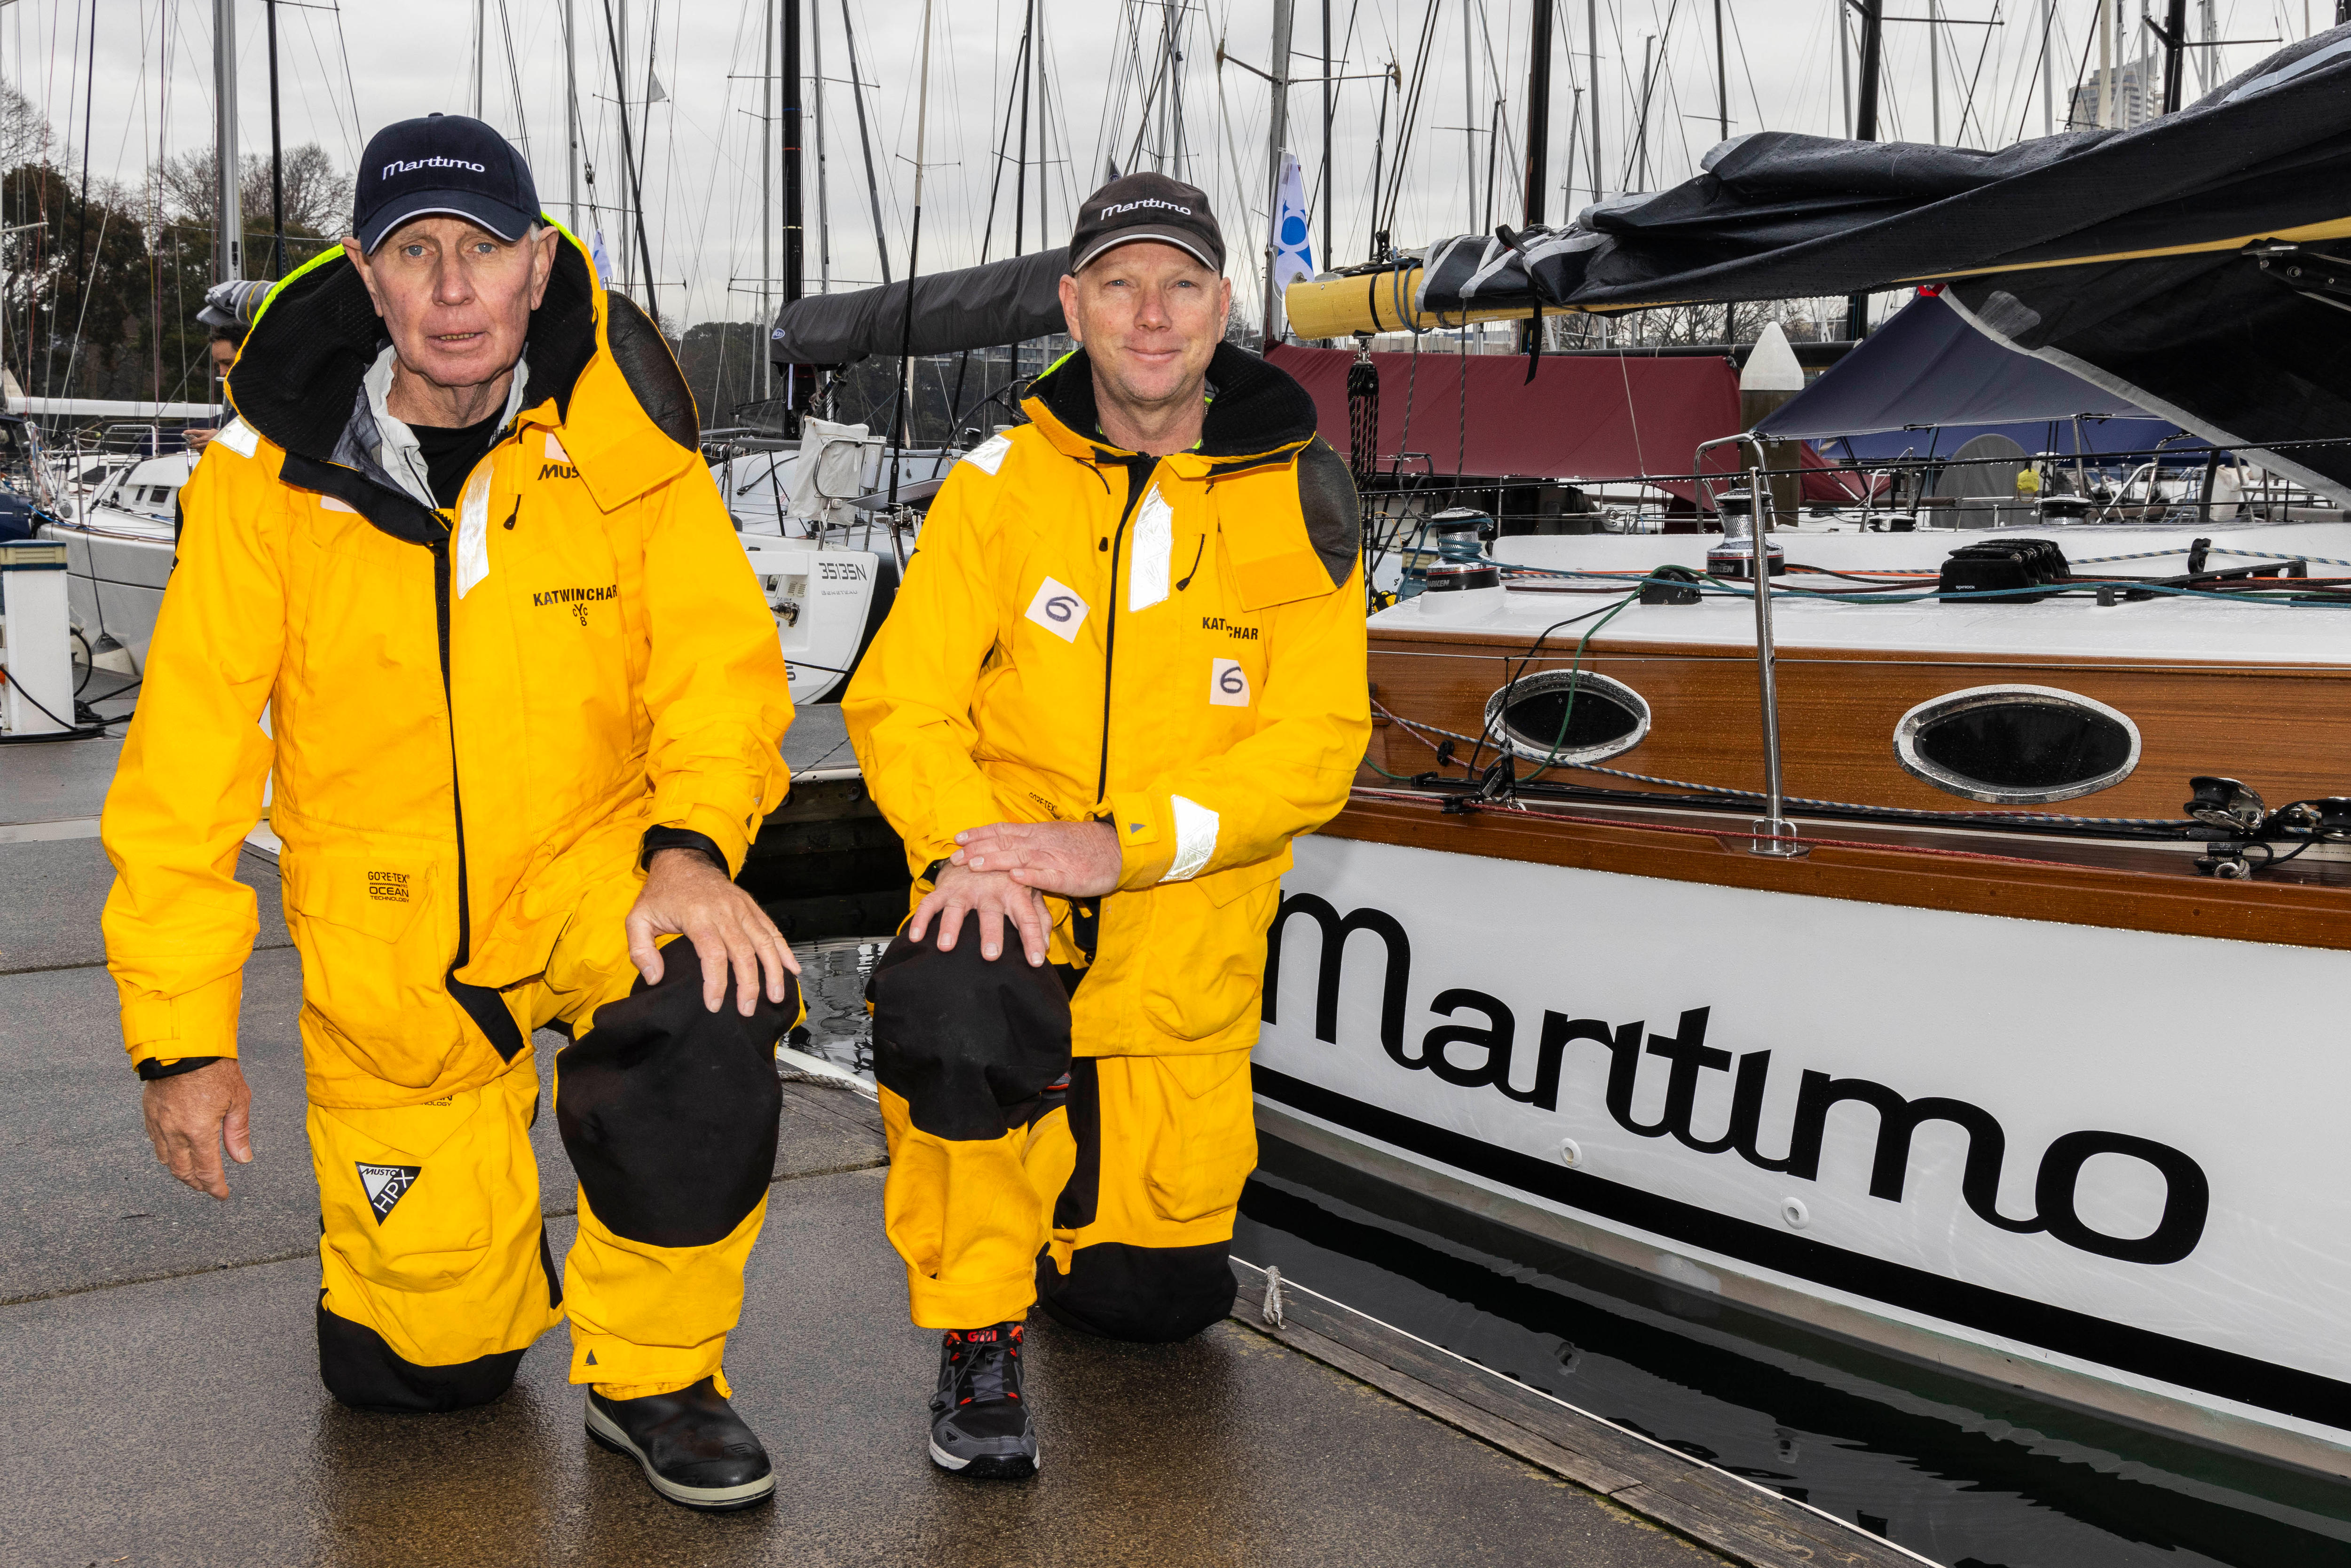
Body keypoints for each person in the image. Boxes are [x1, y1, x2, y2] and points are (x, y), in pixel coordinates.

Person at [103, 113, 801, 1513]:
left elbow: (721, 684)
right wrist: (180, 1041)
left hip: (595, 885)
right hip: (393, 955)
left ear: (538, 265)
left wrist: (691, 853)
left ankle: (656, 1368)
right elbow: (187, 767)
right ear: (366, 276)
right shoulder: (260, 483)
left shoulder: (632, 445)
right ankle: (458, 1262)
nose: (454, 286)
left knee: (715, 995)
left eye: (484, 248)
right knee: (423, 1381)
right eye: (415, 252)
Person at [843, 172, 1371, 1479]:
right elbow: (901, 702)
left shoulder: (1303, 496)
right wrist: (974, 854)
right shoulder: (995, 486)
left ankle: (1068, 1218)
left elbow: (1319, 746)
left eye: (1181, 285)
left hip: (1175, 961)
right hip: (1011, 911)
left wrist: (1123, 846)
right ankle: (979, 1325)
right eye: (1121, 285)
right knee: (956, 997)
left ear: (1222, 308)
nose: (1151, 315)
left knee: (1155, 1309)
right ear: (1073, 307)